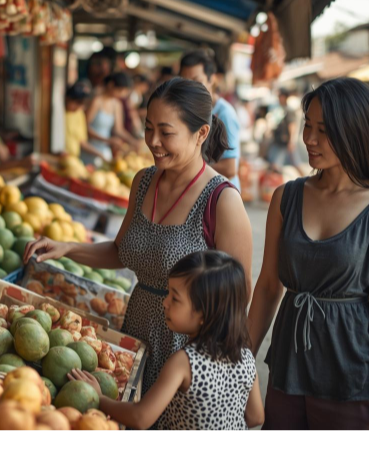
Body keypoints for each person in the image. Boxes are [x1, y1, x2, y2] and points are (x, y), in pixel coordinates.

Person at [25, 78, 253, 406]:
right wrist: (67, 248)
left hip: (188, 353)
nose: (153, 142)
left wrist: (218, 367)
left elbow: (238, 292)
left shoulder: (222, 201)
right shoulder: (144, 182)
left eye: (166, 131)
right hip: (136, 333)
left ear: (201, 133)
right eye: (148, 128)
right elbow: (123, 251)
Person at [247, 77, 369, 430]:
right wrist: (240, 364)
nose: (309, 139)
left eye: (323, 130)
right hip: (287, 370)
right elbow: (267, 287)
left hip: (352, 379)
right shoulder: (287, 197)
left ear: (355, 131)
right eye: (308, 125)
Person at [68, 250, 263, 430]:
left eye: (175, 299)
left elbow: (140, 417)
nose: (165, 302)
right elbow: (256, 417)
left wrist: (99, 397)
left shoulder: (185, 362)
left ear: (205, 314)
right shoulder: (245, 356)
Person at [179, 51, 242, 191]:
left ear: (211, 80)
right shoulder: (189, 111)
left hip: (221, 196)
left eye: (197, 81)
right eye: (185, 82)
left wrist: (186, 168)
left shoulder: (224, 114)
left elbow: (230, 169)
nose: (191, 89)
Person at [83, 73, 138, 165]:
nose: (121, 95)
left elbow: (119, 130)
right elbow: (84, 127)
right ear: (111, 85)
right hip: (90, 147)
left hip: (104, 150)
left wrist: (132, 141)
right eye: (120, 90)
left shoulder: (117, 104)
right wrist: (108, 140)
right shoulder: (97, 101)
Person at [64, 82, 108, 161]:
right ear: (68, 98)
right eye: (77, 102)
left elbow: (82, 141)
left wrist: (99, 154)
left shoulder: (79, 114)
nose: (79, 107)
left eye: (82, 104)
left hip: (73, 159)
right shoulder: (60, 113)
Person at [266, 88, 305, 176]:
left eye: (280, 96)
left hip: (285, 141)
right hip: (279, 141)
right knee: (275, 164)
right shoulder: (279, 109)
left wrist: (291, 141)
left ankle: (307, 180)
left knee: (295, 163)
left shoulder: (289, 110)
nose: (279, 98)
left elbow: (292, 126)